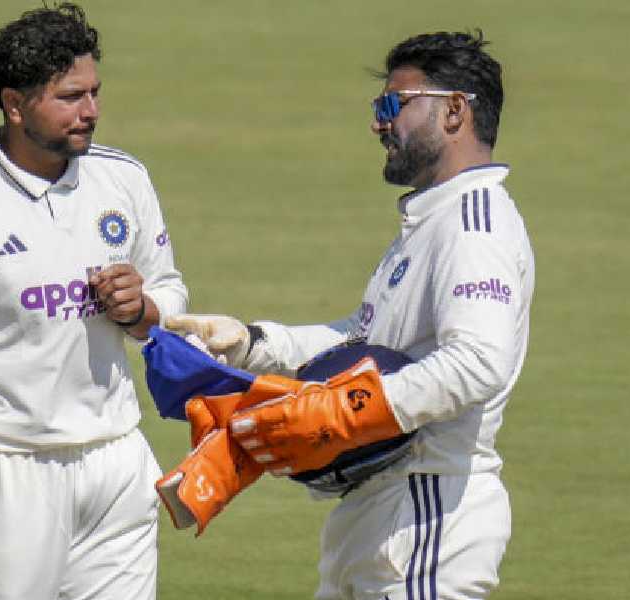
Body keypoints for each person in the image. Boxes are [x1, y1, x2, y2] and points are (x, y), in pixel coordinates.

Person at [166, 30, 534, 600]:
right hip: (379, 514)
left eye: (393, 105)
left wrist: (343, 410)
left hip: (427, 516)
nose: (379, 123)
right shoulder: (431, 219)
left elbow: (479, 362)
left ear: (455, 110)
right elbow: (362, 339)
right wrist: (251, 343)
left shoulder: (473, 226)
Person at [0, 4, 187, 598]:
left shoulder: (123, 178)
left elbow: (170, 290)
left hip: (115, 460)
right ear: (14, 103)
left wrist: (142, 309)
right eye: (70, 97)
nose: (91, 111)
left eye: (95, 93)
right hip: (3, 468)